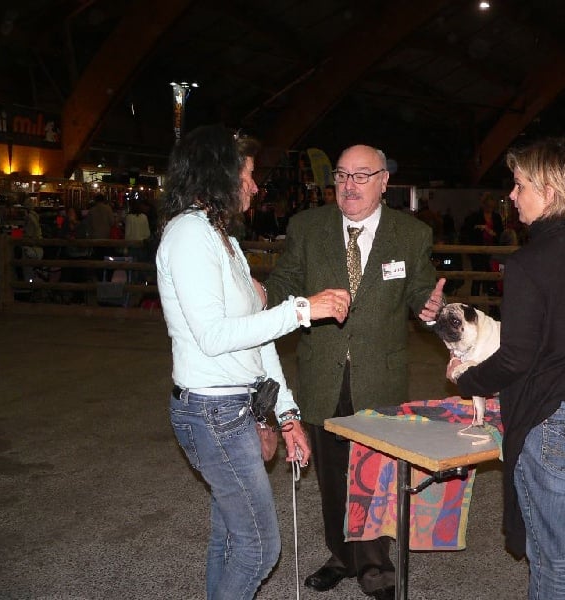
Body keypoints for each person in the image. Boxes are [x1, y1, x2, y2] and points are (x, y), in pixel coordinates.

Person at [156, 124, 351, 600]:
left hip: (234, 407)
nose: (255, 185)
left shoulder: (223, 239)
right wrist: (304, 308)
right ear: (219, 174)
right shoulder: (188, 235)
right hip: (210, 410)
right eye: (247, 173)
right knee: (260, 547)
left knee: (231, 536)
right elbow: (215, 336)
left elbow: (259, 339)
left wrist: (285, 416)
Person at [446, 138, 565, 600]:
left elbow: (515, 358)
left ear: (548, 191)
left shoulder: (528, 263)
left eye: (519, 184)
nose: (512, 195)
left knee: (552, 558)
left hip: (560, 420)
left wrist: (464, 378)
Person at [264, 144, 445, 600]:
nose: (349, 185)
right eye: (342, 175)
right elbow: (284, 284)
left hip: (379, 375)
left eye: (362, 176)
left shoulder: (411, 234)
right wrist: (256, 294)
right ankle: (341, 556)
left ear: (385, 181)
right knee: (330, 474)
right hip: (321, 371)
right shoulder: (307, 228)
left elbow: (419, 288)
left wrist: (428, 306)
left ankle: (375, 565)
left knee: (375, 473)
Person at [461, 191, 503, 298]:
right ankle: (474, 307)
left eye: (492, 206)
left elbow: (501, 234)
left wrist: (492, 233)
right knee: (477, 279)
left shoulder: (497, 217)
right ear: (483, 205)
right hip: (478, 253)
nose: (490, 208)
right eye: (488, 206)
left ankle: (493, 307)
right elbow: (466, 233)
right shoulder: (474, 217)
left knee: (493, 279)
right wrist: (478, 229)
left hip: (493, 252)